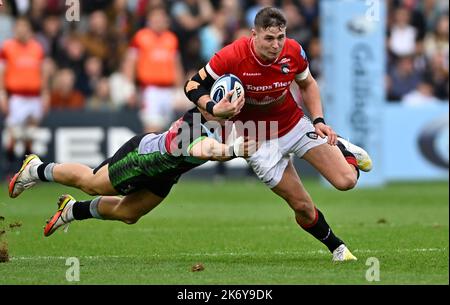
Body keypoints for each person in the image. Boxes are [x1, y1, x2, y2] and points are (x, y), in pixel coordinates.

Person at [184, 7, 373, 261]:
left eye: (281, 37)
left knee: (346, 181)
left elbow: (308, 83)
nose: (276, 45)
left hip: (293, 124)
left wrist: (318, 120)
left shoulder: (293, 51)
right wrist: (214, 107)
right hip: (257, 139)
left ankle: (342, 148)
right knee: (302, 207)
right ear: (254, 35)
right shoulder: (232, 56)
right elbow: (192, 85)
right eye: (269, 39)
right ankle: (337, 248)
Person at [8, 94, 251, 237]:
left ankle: (72, 210)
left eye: (236, 104)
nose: (234, 108)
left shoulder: (222, 124)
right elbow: (206, 149)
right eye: (230, 102)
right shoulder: (192, 127)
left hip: (166, 175)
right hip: (140, 159)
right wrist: (233, 150)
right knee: (92, 183)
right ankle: (36, 169)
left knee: (129, 214)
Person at [0, 17, 50, 174]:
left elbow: (43, 73)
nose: (22, 30)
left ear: (29, 29)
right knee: (13, 133)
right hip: (17, 96)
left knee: (30, 134)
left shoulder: (37, 48)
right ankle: (8, 169)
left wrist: (45, 93)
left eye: (25, 27)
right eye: (19, 27)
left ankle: (25, 172)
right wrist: (2, 94)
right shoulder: (7, 47)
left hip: (34, 96)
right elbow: (2, 72)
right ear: (15, 29)